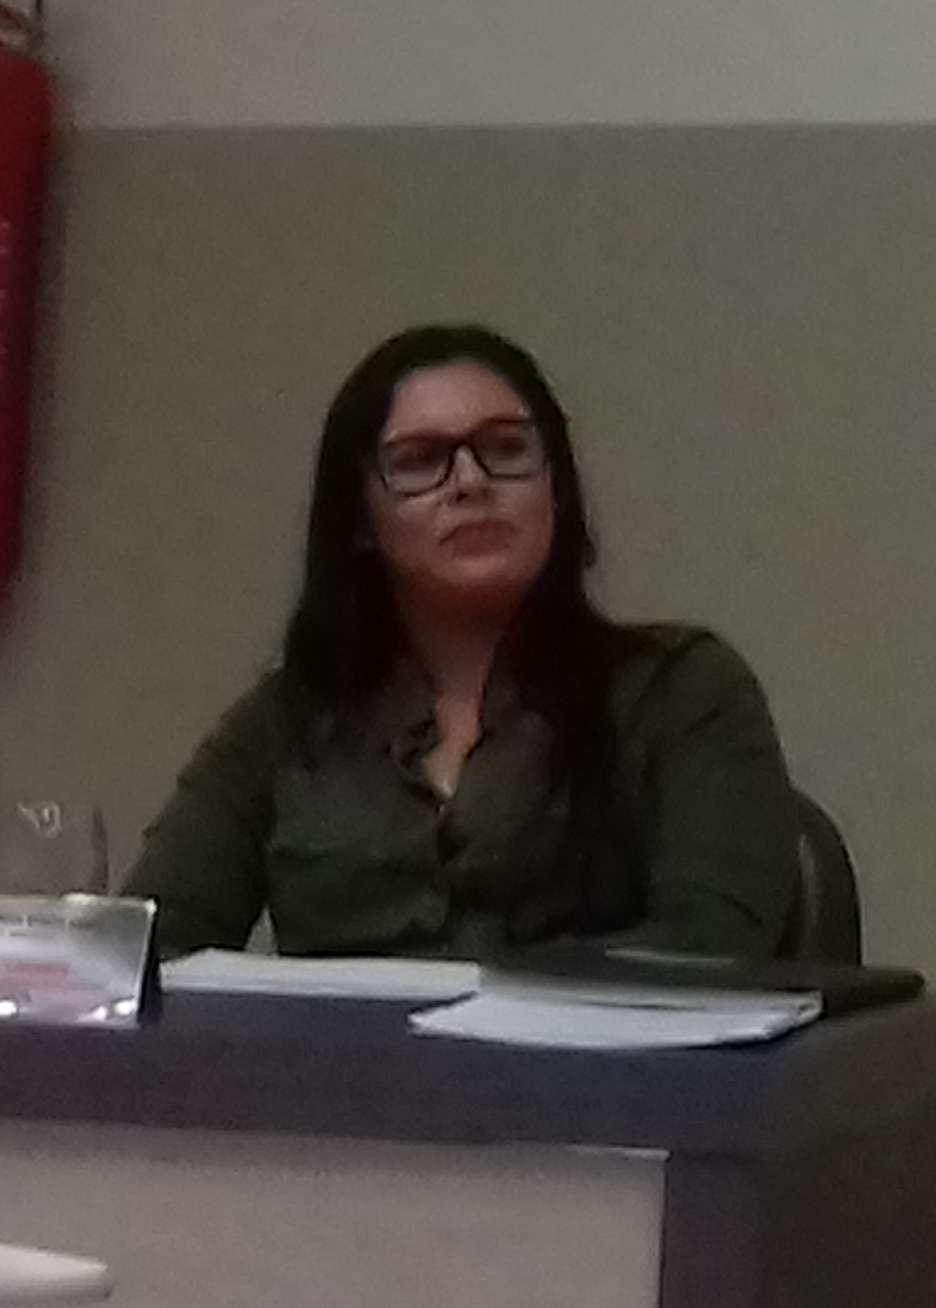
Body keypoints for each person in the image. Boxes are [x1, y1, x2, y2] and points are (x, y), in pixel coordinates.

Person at [124, 323, 804, 956]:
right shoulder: (285, 723)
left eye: (506, 449)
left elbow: (711, 947)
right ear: (360, 518)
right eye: (421, 461)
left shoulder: (681, 688)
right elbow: (146, 951)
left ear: (556, 489)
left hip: (601, 1049)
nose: (471, 482)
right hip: (338, 1052)